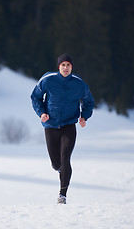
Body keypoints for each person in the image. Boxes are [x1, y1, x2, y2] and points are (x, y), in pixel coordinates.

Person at [30, 53, 94, 204]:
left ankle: (62, 195)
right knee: (56, 164)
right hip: (50, 125)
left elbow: (89, 101)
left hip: (68, 125)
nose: (66, 68)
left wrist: (84, 116)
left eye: (68, 65)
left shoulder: (79, 84)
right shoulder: (48, 79)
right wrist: (42, 113)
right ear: (59, 66)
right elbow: (35, 97)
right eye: (63, 65)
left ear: (72, 67)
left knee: (65, 158)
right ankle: (61, 170)